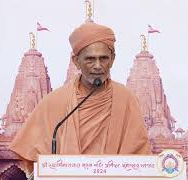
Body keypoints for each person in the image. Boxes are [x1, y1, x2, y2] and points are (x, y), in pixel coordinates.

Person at [9, 22, 151, 162]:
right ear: (76, 61)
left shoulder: (126, 100)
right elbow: (34, 158)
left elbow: (139, 159)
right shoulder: (53, 103)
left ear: (112, 59)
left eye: (103, 59)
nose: (97, 66)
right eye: (90, 59)